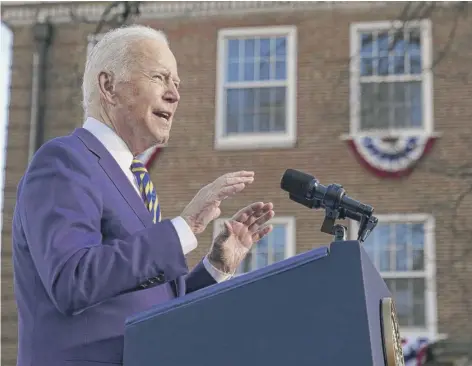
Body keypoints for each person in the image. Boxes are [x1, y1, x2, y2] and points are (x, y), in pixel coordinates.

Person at [12, 25, 275, 366]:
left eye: (177, 84)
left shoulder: (137, 183)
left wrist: (215, 267)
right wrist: (187, 225)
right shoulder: (65, 161)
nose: (174, 95)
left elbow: (154, 312)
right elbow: (71, 279)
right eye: (160, 78)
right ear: (109, 86)